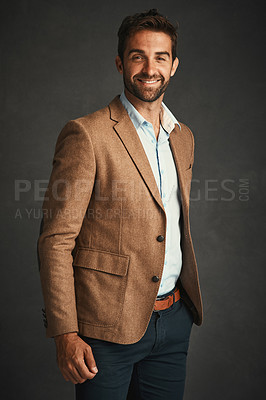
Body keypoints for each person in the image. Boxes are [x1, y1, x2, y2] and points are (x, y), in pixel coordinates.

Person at [38, 8, 203, 400]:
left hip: (174, 320)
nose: (150, 68)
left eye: (160, 57)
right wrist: (65, 333)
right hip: (105, 330)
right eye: (137, 56)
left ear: (174, 66)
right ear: (119, 63)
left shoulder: (184, 137)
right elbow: (56, 240)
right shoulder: (87, 134)